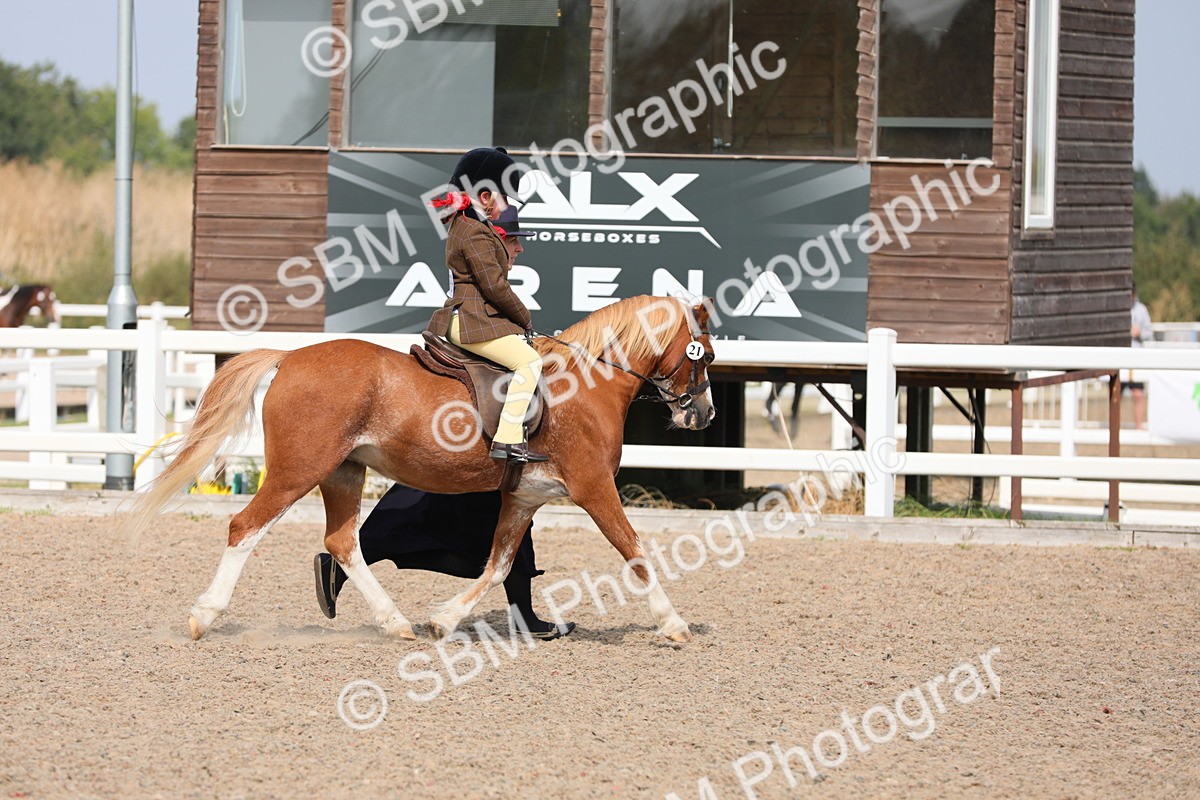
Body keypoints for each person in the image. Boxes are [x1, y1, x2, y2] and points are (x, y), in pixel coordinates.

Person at [313, 204, 573, 639]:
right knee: (458, 511)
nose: (519, 248)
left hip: (470, 420)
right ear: (498, 239)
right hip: (464, 424)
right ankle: (522, 613)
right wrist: (525, 327)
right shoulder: (480, 263)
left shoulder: (476, 259)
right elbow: (493, 298)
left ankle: (523, 613)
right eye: (514, 240)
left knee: (502, 515)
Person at [426, 146, 547, 463]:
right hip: (470, 319)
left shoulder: (467, 225)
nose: (508, 206)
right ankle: (508, 438)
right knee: (529, 362)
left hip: (473, 316)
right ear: (485, 196)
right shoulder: (474, 231)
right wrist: (524, 318)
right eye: (505, 198)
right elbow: (494, 285)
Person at [1126, 282, 1154, 429]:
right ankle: (1114, 428)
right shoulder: (1116, 309)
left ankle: (1139, 428)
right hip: (1119, 356)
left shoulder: (1141, 310)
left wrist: (1139, 332)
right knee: (1114, 394)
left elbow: (1149, 332)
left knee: (1138, 394)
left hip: (1135, 358)